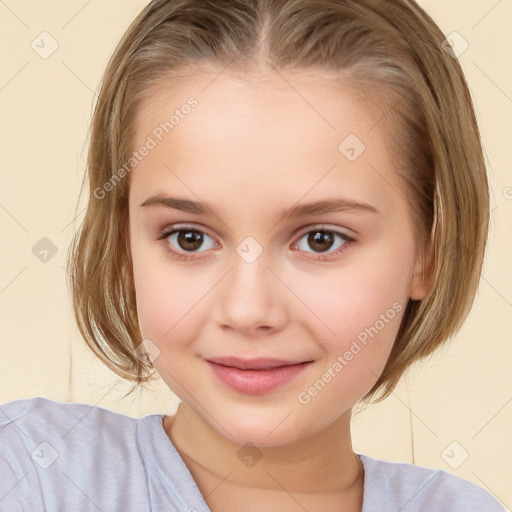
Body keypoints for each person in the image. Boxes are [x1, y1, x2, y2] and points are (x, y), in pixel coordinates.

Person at [0, 0, 505, 510]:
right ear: (123, 247)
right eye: (189, 238)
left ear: (428, 253)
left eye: (321, 240)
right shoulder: (28, 472)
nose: (246, 311)